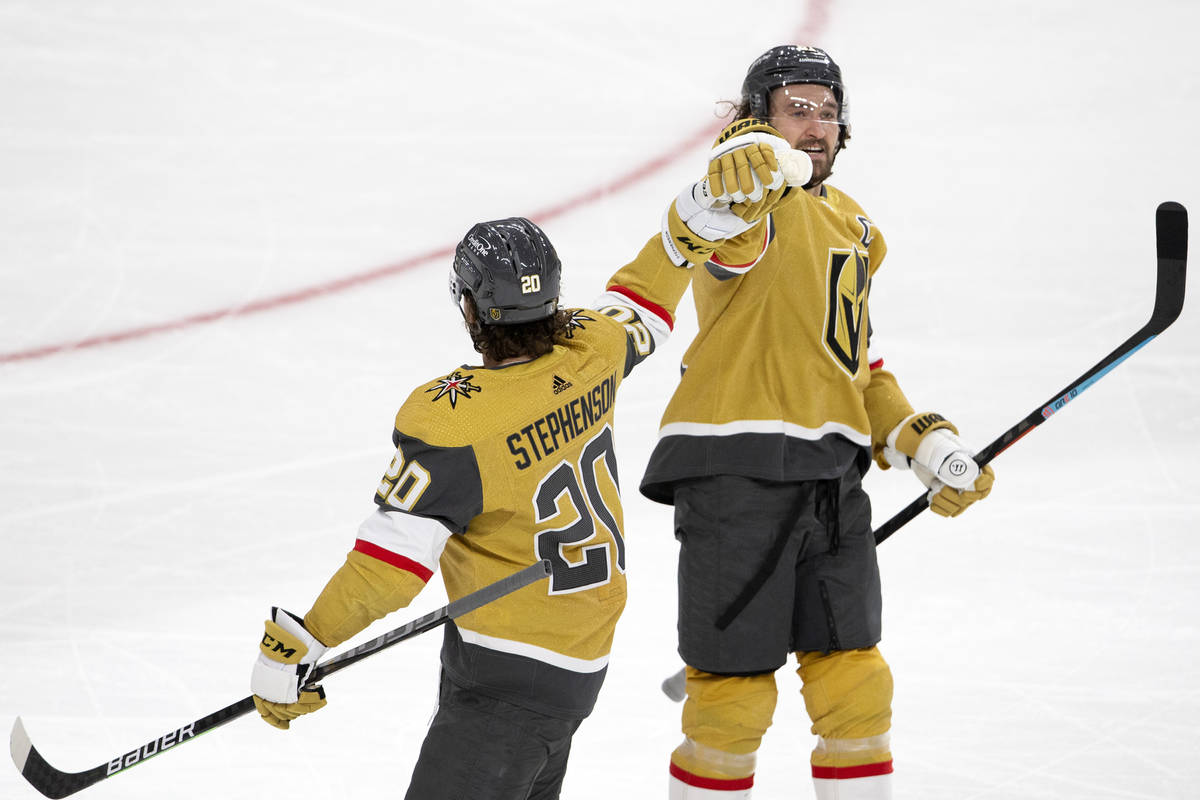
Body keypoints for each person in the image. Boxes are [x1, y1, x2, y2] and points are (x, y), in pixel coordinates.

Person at [603, 45, 996, 799]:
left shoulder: (853, 225)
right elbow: (725, 219)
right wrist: (741, 163)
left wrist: (922, 441)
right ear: (760, 119)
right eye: (796, 110)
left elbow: (855, 366)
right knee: (731, 700)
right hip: (735, 474)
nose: (815, 126)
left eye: (827, 110)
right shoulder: (752, 202)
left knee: (857, 685)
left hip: (831, 482)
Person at [248, 217, 676, 800]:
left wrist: (305, 639)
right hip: (575, 666)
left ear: (470, 306)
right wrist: (693, 218)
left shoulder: (456, 424)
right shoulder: (591, 353)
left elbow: (389, 567)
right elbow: (643, 300)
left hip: (506, 681)